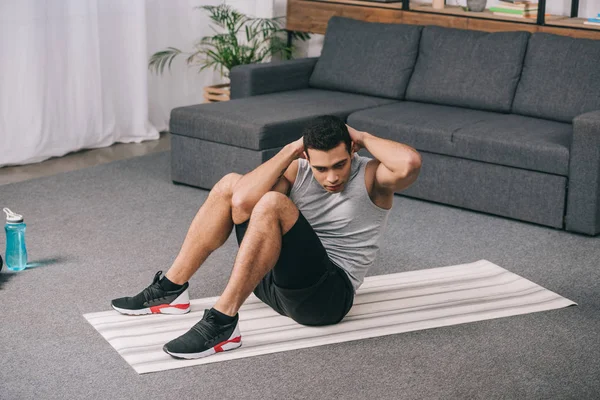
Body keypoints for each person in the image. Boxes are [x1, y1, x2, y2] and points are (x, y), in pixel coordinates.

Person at [111, 115, 422, 360]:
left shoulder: (372, 178)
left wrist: (363, 137)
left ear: (352, 151)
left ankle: (221, 322)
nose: (331, 177)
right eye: (321, 168)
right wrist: (289, 151)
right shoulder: (296, 169)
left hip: (325, 300)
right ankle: (171, 288)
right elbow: (241, 202)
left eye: (339, 165)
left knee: (273, 203)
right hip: (271, 286)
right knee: (231, 184)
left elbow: (409, 163)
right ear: (307, 157)